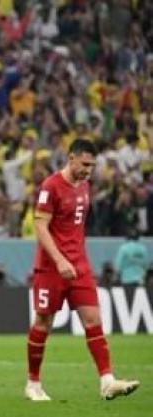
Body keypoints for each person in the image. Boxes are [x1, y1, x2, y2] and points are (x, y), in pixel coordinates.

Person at [26, 139, 139, 402]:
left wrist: (74, 259)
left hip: (79, 265)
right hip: (51, 267)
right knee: (43, 322)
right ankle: (33, 383)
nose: (88, 170)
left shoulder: (85, 186)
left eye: (92, 166)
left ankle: (107, 381)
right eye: (85, 164)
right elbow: (40, 226)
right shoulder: (51, 186)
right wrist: (59, 260)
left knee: (93, 319)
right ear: (71, 158)